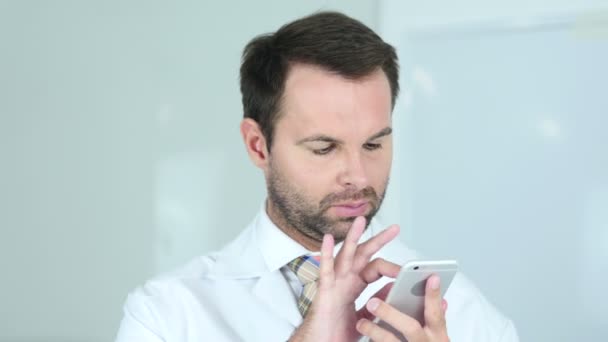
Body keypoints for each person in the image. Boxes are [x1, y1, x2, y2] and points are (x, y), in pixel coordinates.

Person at [115, 11, 519, 342]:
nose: (358, 176)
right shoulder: (166, 315)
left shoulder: (463, 313)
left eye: (374, 144)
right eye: (325, 148)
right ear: (258, 145)